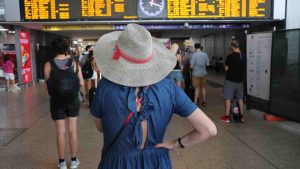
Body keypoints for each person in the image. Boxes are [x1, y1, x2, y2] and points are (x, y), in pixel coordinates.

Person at [90, 24, 217, 169]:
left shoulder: (105, 87)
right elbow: (208, 129)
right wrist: (176, 144)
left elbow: (101, 128)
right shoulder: (169, 88)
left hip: (117, 162)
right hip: (157, 162)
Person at [44, 38, 84, 169]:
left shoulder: (48, 64)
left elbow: (48, 86)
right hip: (73, 100)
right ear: (66, 48)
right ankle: (73, 161)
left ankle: (61, 162)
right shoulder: (74, 63)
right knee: (73, 131)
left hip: (56, 101)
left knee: (60, 132)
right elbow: (82, 83)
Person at [221, 41, 246, 123]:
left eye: (230, 46)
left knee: (228, 98)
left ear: (232, 47)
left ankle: (227, 117)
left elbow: (226, 69)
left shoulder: (230, 56)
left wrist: (224, 65)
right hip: (240, 80)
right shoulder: (244, 56)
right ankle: (242, 117)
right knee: (240, 98)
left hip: (230, 80)